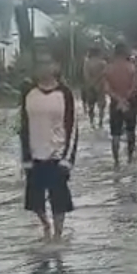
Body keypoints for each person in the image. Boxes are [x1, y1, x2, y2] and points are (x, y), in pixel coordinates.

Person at [20, 57, 78, 241]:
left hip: (57, 154)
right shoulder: (28, 93)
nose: (44, 68)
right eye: (40, 64)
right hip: (34, 154)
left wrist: (68, 158)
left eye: (48, 64)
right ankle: (46, 224)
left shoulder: (65, 93)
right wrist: (25, 156)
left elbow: (73, 126)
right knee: (34, 201)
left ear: (56, 67)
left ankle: (58, 236)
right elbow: (22, 125)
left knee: (59, 200)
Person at [104, 42, 137, 166]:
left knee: (115, 135)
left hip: (115, 104)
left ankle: (116, 161)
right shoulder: (131, 67)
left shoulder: (109, 68)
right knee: (130, 132)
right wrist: (125, 100)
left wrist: (118, 100)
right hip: (129, 103)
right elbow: (134, 87)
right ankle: (130, 159)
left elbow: (106, 89)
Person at [82, 48, 107, 128]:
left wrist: (91, 84)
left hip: (90, 87)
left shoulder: (87, 63)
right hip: (100, 87)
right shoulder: (103, 63)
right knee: (101, 107)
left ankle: (92, 123)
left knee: (91, 106)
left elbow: (86, 76)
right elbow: (105, 75)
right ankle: (100, 122)